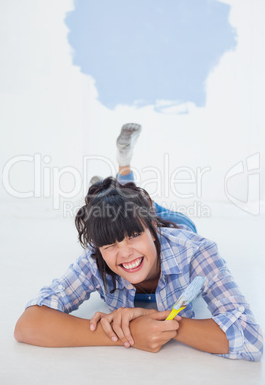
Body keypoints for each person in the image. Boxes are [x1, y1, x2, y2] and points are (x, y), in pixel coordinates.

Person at [14, 124, 263, 360]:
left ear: (153, 230)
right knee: (122, 209)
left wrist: (154, 319)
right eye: (109, 244)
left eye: (133, 236)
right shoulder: (94, 259)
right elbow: (28, 325)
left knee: (142, 206)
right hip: (139, 220)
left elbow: (251, 339)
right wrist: (130, 333)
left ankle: (122, 173)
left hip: (175, 223)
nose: (125, 254)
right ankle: (107, 192)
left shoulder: (196, 250)